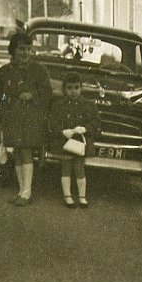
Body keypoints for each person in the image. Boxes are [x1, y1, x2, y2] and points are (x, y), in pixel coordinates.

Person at [0, 32, 52, 206]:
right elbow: (1, 97)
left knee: (25, 151)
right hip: (12, 117)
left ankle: (27, 192)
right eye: (21, 49)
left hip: (31, 118)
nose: (25, 53)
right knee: (17, 152)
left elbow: (47, 93)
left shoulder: (40, 70)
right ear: (13, 50)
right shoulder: (4, 72)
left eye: (28, 49)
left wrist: (32, 95)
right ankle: (21, 191)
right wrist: (1, 117)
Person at [49, 72, 99, 208]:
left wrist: (85, 128)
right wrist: (62, 132)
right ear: (64, 89)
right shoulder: (59, 105)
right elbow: (52, 122)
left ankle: (82, 196)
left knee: (79, 166)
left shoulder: (88, 105)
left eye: (76, 87)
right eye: (69, 88)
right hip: (64, 141)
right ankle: (67, 195)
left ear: (81, 88)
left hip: (81, 142)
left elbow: (96, 123)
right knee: (66, 166)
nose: (73, 91)